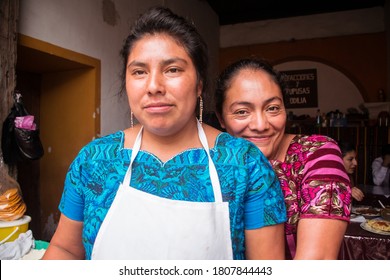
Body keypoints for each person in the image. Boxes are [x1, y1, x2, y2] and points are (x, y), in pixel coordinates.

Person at [42, 7, 287, 260]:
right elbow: (66, 249)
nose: (154, 86)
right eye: (139, 72)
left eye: (172, 70)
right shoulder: (93, 161)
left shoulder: (246, 165)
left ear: (199, 84)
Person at [214, 58, 352, 260]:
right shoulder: (210, 165)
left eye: (272, 108)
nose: (261, 125)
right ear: (221, 118)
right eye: (242, 112)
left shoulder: (318, 154)